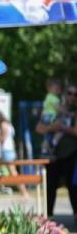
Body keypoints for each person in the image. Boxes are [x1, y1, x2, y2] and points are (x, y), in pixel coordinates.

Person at [35, 84, 77, 216]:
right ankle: (48, 217)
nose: (72, 96)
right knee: (50, 187)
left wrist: (63, 128)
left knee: (73, 188)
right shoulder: (53, 108)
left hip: (71, 154)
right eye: (69, 93)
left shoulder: (74, 112)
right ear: (64, 94)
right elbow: (39, 128)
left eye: (75, 94)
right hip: (53, 156)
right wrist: (51, 128)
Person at [0, 110, 29, 199]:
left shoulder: (3, 125)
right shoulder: (7, 124)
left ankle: (24, 193)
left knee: (13, 174)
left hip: (6, 152)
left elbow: (2, 140)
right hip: (8, 151)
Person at [40, 77, 64, 157]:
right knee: (61, 130)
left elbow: (44, 110)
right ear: (49, 88)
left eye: (59, 88)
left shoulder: (48, 97)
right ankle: (54, 142)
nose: (58, 90)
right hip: (51, 118)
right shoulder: (54, 98)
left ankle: (44, 151)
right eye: (56, 88)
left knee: (47, 136)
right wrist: (67, 112)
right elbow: (58, 108)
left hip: (46, 118)